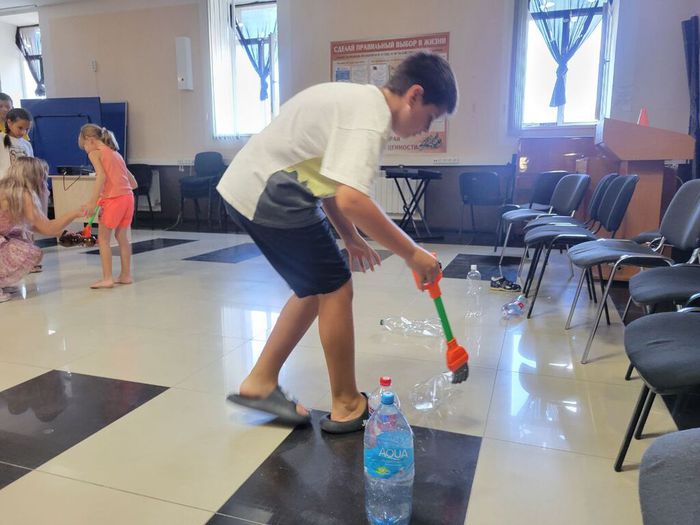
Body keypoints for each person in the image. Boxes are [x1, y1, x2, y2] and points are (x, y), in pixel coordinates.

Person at [218, 51, 458, 433]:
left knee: (316, 288)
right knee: (335, 287)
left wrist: (349, 236)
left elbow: (331, 184)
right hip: (272, 191)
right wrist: (412, 254)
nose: (425, 129)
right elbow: (351, 198)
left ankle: (260, 382)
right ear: (414, 95)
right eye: (429, 117)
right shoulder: (371, 119)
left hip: (260, 187)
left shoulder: (360, 104)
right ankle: (346, 403)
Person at [0, 157, 86, 303]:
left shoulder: (7, 188)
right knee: (25, 250)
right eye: (43, 176)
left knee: (21, 237)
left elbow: (34, 226)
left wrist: (62, 234)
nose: (45, 181)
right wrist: (76, 213)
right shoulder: (24, 194)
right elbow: (47, 227)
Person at [79, 124, 137, 289]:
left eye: (84, 145)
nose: (85, 149)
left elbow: (101, 177)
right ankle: (126, 275)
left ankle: (107, 278)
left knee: (103, 239)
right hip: (128, 198)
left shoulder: (95, 153)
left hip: (114, 200)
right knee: (122, 237)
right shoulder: (115, 153)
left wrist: (92, 201)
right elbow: (132, 181)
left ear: (90, 140)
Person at [0, 108, 34, 178]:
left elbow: (31, 167)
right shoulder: (1, 138)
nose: (23, 132)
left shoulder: (27, 145)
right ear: (9, 123)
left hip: (23, 184)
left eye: (27, 129)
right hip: (4, 184)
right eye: (20, 128)